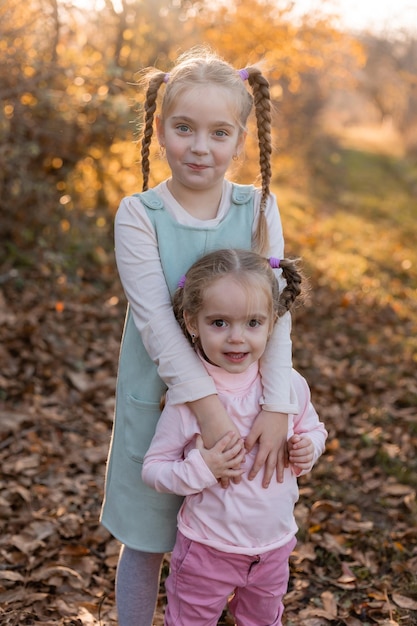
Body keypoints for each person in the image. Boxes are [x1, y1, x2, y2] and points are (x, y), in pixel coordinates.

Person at [100, 46, 299, 626]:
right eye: (184, 128)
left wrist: (278, 405)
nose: (200, 147)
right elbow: (158, 324)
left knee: (230, 538)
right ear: (160, 130)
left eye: (218, 133)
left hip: (248, 401)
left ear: (239, 141)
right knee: (147, 536)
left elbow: (278, 312)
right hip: (161, 398)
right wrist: (207, 412)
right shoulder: (139, 214)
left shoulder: (259, 208)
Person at [142, 248, 327, 626]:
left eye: (253, 323)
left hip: (274, 546)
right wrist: (201, 468)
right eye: (220, 323)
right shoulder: (192, 398)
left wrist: (309, 450)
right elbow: (153, 469)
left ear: (273, 322)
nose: (237, 339)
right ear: (193, 322)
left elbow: (313, 429)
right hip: (208, 548)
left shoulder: (286, 386)